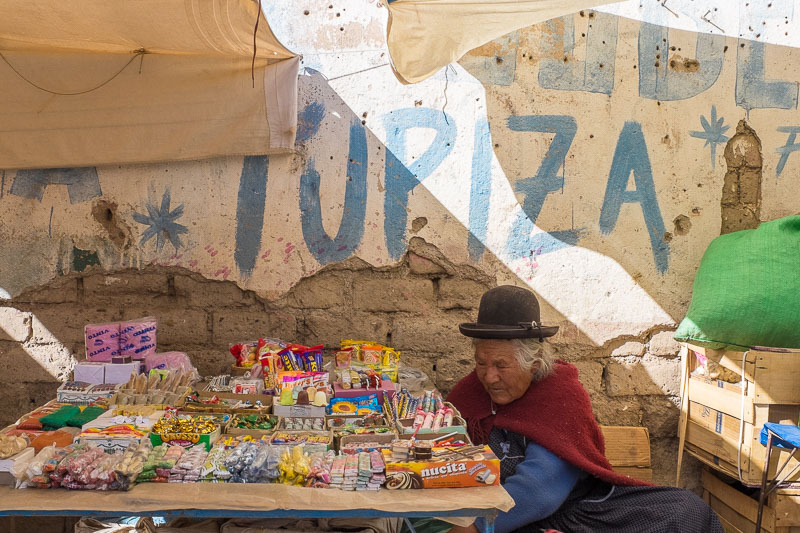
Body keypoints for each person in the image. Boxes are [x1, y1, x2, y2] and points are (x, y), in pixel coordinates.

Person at [446, 285, 723, 533]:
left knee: (686, 512)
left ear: (534, 361)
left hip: (577, 511)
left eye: (501, 365)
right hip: (504, 515)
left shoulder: (560, 395)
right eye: (481, 363)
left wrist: (480, 526)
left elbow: (541, 487)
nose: (489, 376)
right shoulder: (469, 392)